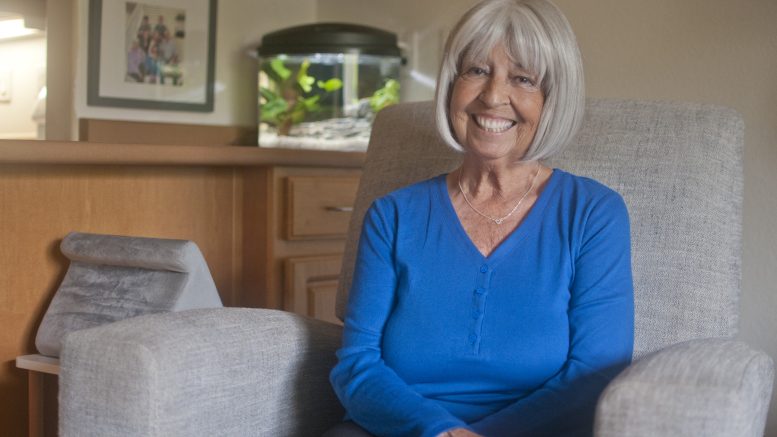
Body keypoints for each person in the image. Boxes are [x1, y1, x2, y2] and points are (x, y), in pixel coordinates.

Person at [326, 0, 634, 436]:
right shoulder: (393, 216)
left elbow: (597, 374)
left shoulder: (592, 213)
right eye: (475, 71)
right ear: (451, 86)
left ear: (552, 99)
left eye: (522, 79)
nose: (493, 96)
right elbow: (357, 365)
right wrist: (437, 430)